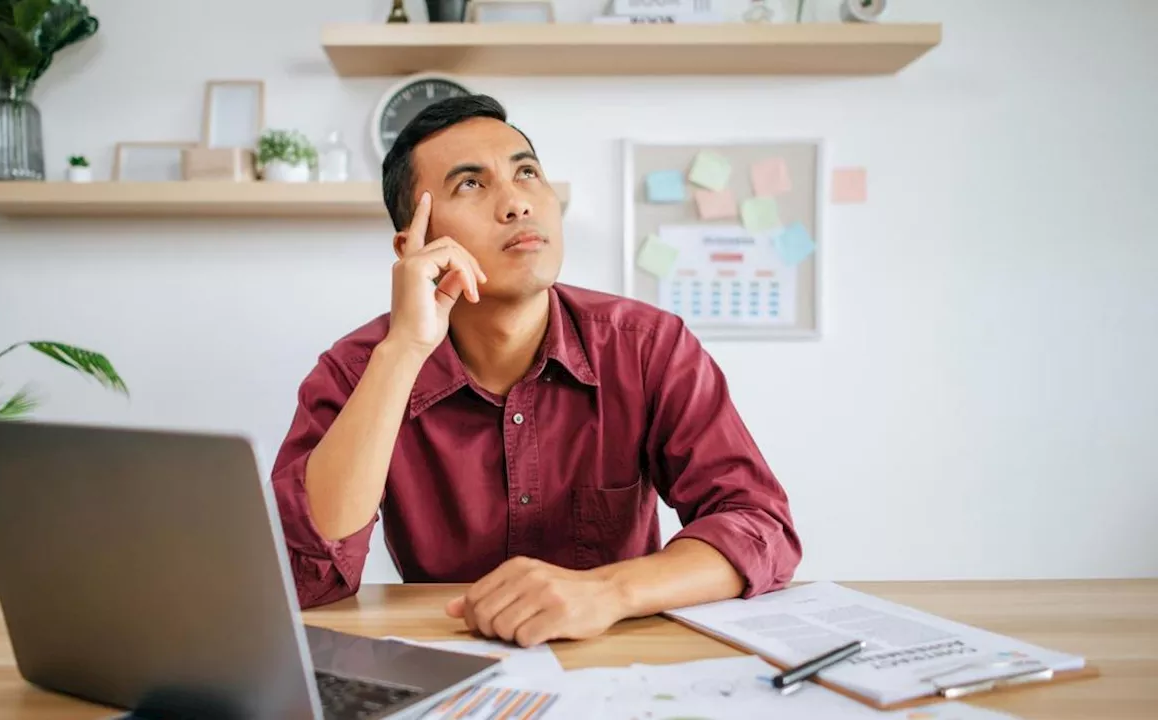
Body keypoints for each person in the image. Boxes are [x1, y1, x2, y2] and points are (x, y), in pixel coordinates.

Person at [271, 94, 801, 648]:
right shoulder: (358, 371)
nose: (516, 203)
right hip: (450, 659)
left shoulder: (648, 347)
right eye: (470, 184)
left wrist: (609, 592)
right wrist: (404, 349)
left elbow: (760, 527)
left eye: (527, 173)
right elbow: (303, 575)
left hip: (619, 657)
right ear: (415, 244)